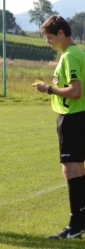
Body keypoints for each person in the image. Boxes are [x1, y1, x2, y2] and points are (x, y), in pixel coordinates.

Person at [32, 15, 85, 239]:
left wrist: (48, 89)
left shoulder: (70, 56)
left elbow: (75, 91)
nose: (48, 42)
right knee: (80, 169)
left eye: (50, 37)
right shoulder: (78, 52)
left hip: (72, 117)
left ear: (61, 33)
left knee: (70, 169)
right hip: (78, 116)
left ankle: (74, 226)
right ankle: (80, 223)